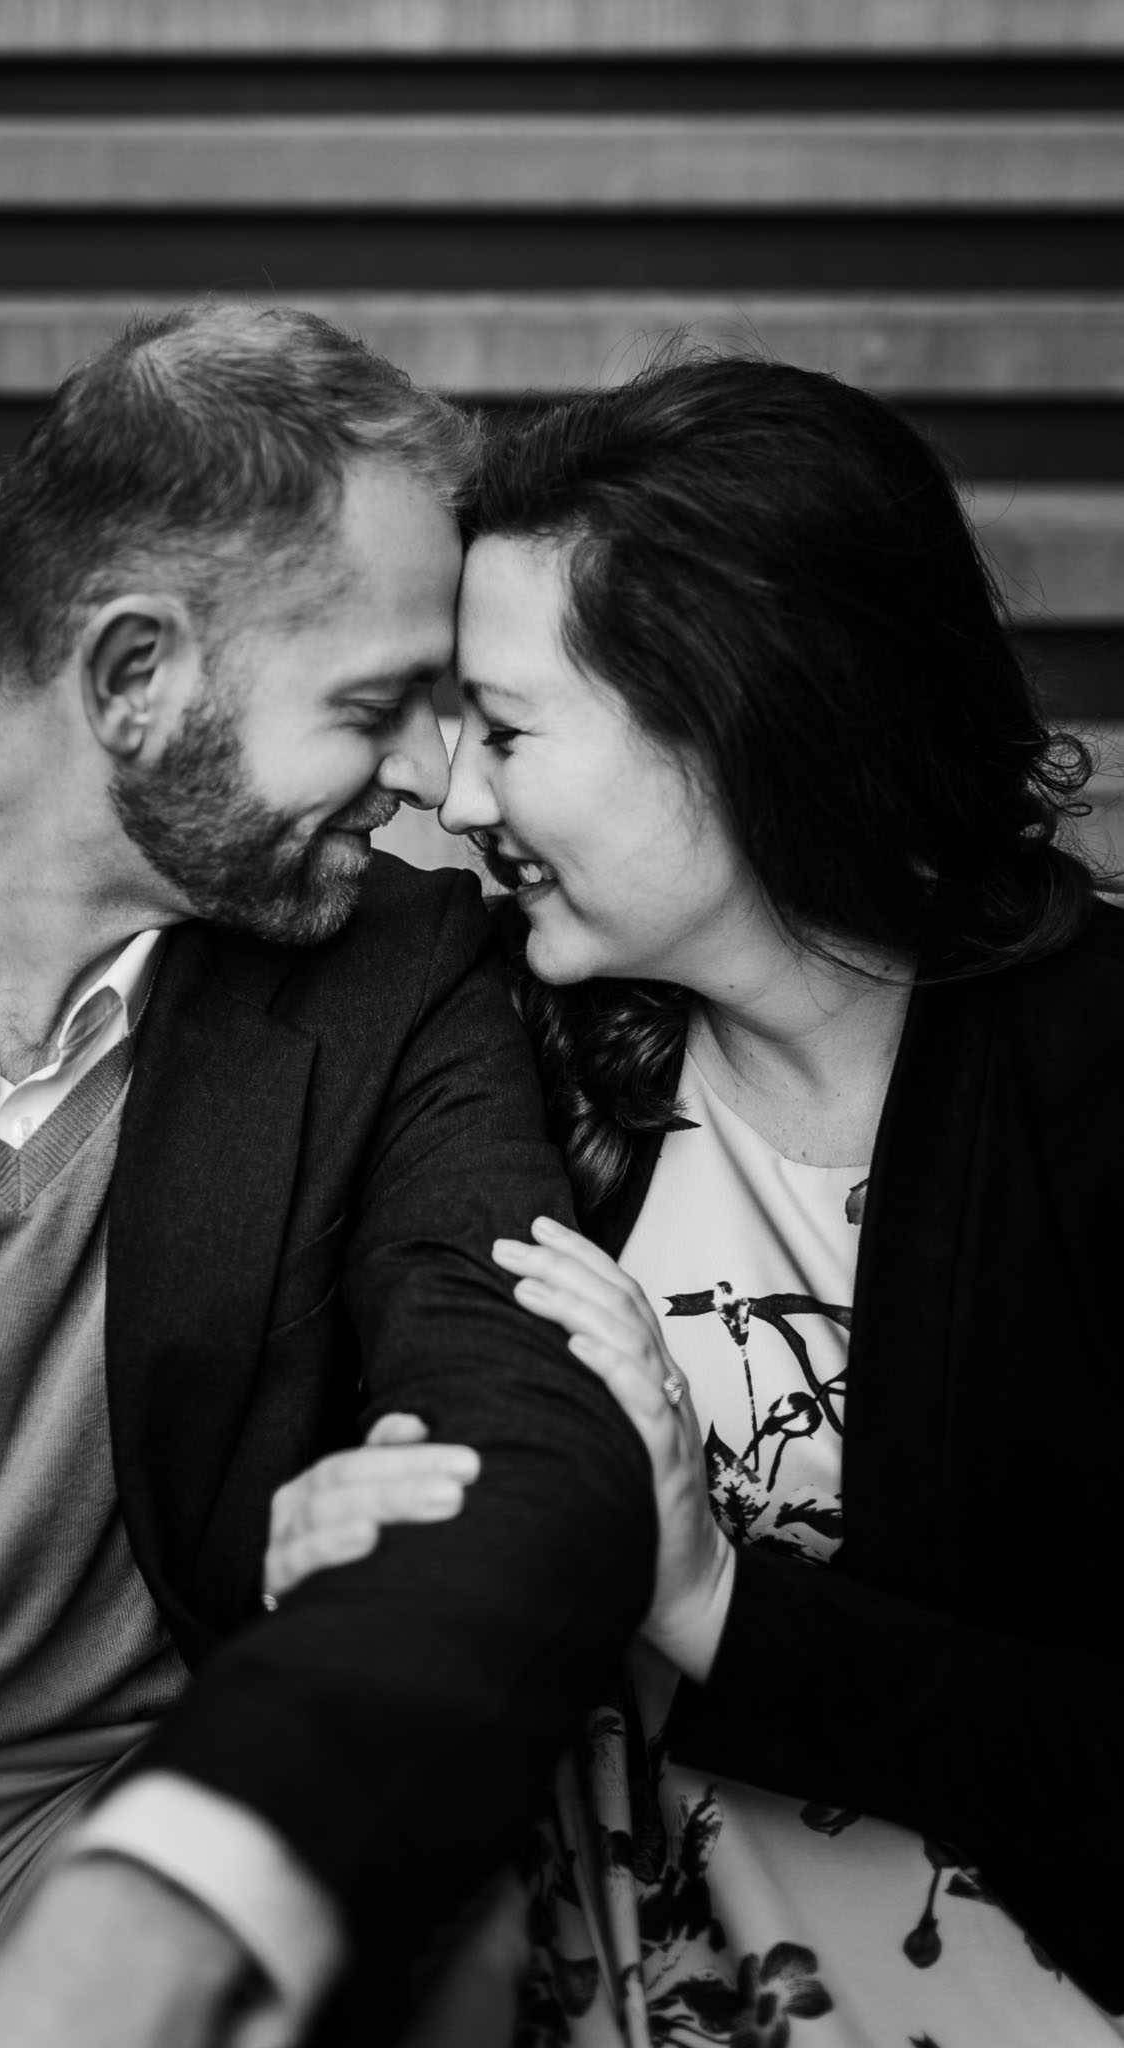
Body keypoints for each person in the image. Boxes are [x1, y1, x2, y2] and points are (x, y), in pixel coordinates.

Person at [0, 302, 657, 2048]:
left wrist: (188, 1872)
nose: (433, 782)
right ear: (133, 676)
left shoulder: (400, 969)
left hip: (126, 1818)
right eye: (379, 705)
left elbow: (530, 1429)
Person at [264, 354, 1124, 2045]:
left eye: (508, 729)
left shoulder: (1092, 1081)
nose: (457, 800)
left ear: (742, 722)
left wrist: (708, 1595)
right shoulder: (492, 1042)